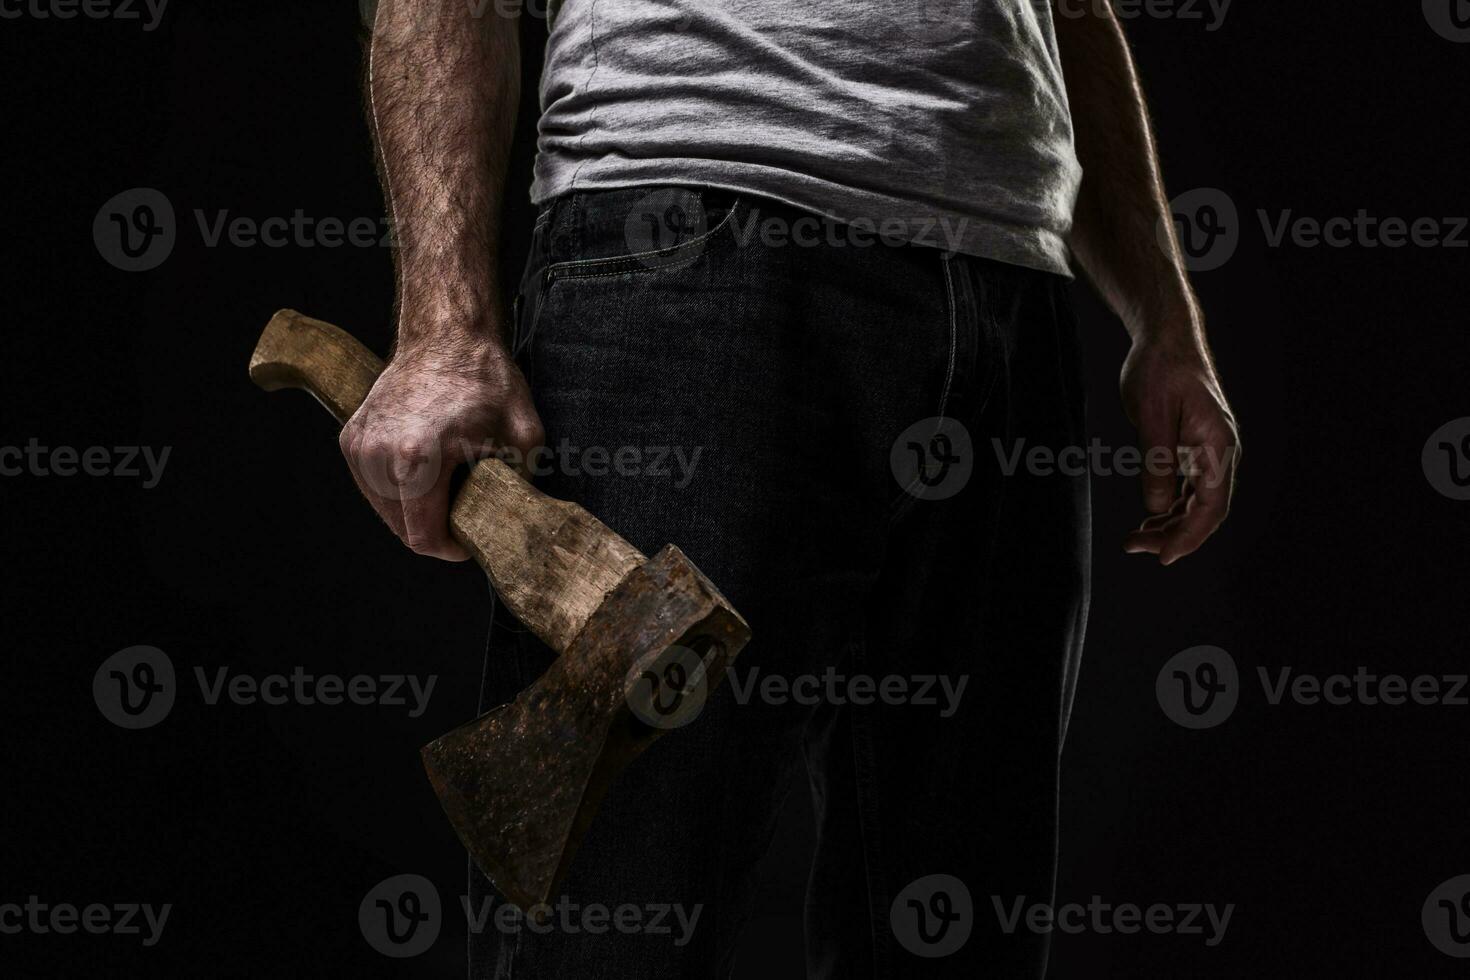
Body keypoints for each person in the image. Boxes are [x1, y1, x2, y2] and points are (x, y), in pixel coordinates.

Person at [341, 1, 1241, 975]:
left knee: (964, 937)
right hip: (694, 245)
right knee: (615, 932)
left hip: (1008, 289)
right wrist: (442, 319)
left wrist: (1164, 317)